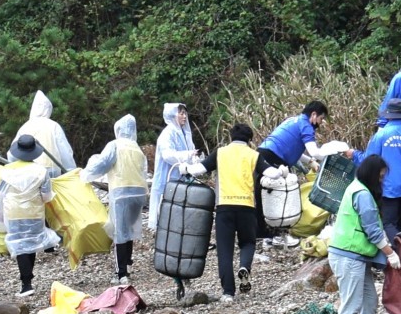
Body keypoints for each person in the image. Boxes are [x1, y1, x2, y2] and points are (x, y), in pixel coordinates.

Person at [328, 155, 401, 314]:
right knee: (351, 303)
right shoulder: (362, 194)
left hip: (358, 256)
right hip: (348, 255)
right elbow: (373, 232)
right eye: (380, 177)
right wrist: (390, 253)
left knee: (369, 301)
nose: (381, 181)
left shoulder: (356, 187)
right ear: (372, 175)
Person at [256, 101, 349, 247]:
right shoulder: (306, 125)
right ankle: (272, 236)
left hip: (264, 154)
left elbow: (295, 150)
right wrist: (334, 150)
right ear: (313, 114)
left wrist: (310, 162)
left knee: (264, 195)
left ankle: (263, 234)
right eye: (321, 118)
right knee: (276, 196)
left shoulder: (293, 120)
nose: (320, 122)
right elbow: (315, 152)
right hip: (273, 158)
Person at [186, 123, 259, 302]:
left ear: (231, 137)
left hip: (224, 207)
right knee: (248, 243)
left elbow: (198, 170)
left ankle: (228, 292)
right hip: (247, 207)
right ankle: (244, 267)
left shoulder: (221, 153)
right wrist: (281, 171)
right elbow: (271, 173)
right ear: (249, 140)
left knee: (225, 251)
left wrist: (185, 168)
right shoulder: (254, 154)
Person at [82, 115, 149, 286]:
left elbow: (102, 164)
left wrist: (85, 174)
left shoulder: (114, 145)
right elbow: (143, 172)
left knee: (120, 231)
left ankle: (121, 273)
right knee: (129, 229)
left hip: (121, 192)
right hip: (139, 192)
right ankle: (127, 262)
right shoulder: (137, 149)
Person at [351, 97, 401, 238]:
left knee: (388, 224)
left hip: (389, 189)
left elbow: (368, 160)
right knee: (397, 221)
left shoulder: (381, 135)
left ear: (389, 115)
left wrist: (353, 154)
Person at [0, 135, 61, 298]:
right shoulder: (41, 171)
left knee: (20, 246)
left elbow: (1, 193)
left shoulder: (7, 170)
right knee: (30, 243)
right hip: (33, 212)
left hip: (13, 211)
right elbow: (46, 195)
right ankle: (28, 281)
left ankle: (26, 284)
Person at [148, 102, 198, 231]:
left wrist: (195, 160)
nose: (184, 116)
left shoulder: (184, 134)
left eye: (185, 113)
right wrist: (187, 155)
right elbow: (168, 155)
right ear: (172, 115)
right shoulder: (168, 134)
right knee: (166, 214)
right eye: (181, 113)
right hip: (167, 180)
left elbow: (190, 152)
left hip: (180, 180)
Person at [10, 90, 75, 177]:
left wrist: (12, 165)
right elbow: (64, 151)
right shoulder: (54, 126)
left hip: (28, 170)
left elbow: (13, 151)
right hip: (51, 169)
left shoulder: (26, 126)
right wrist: (71, 170)